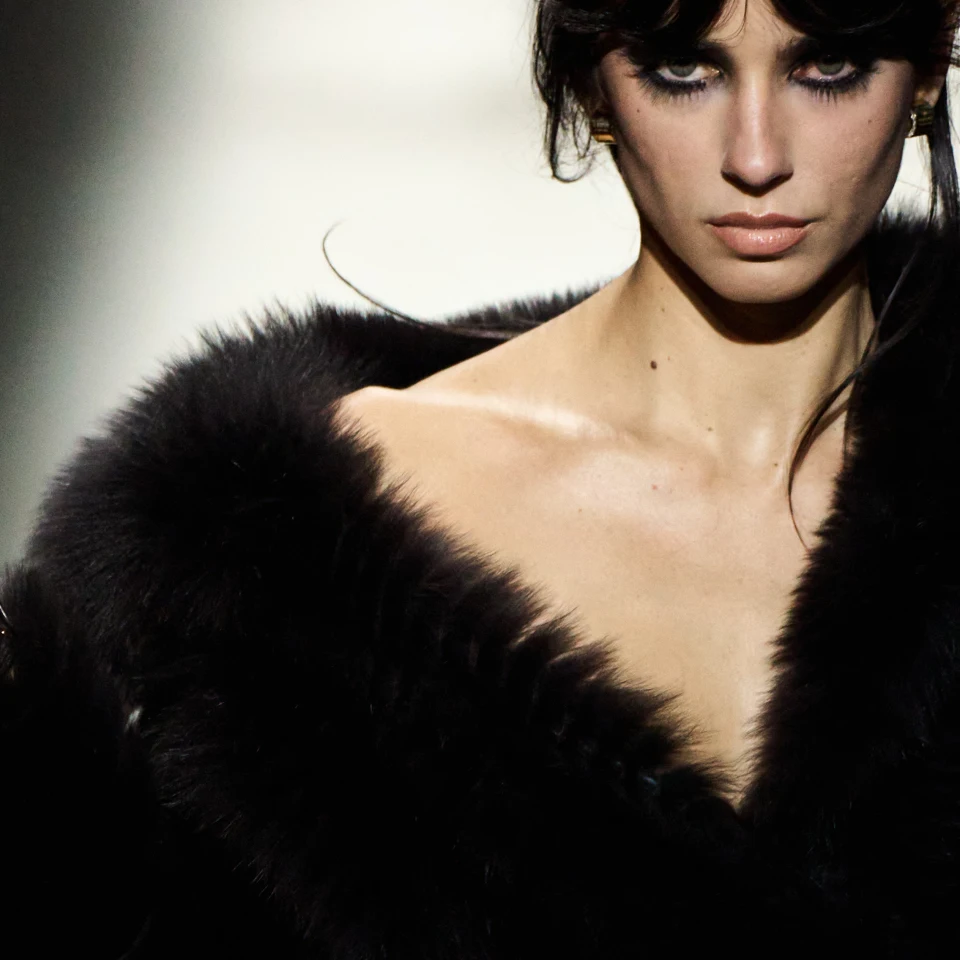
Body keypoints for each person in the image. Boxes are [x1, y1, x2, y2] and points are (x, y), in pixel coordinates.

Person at [2, 0, 960, 956]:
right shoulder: (270, 567)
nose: (756, 156)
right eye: (683, 70)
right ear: (591, 81)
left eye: (827, 70)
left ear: (928, 65)